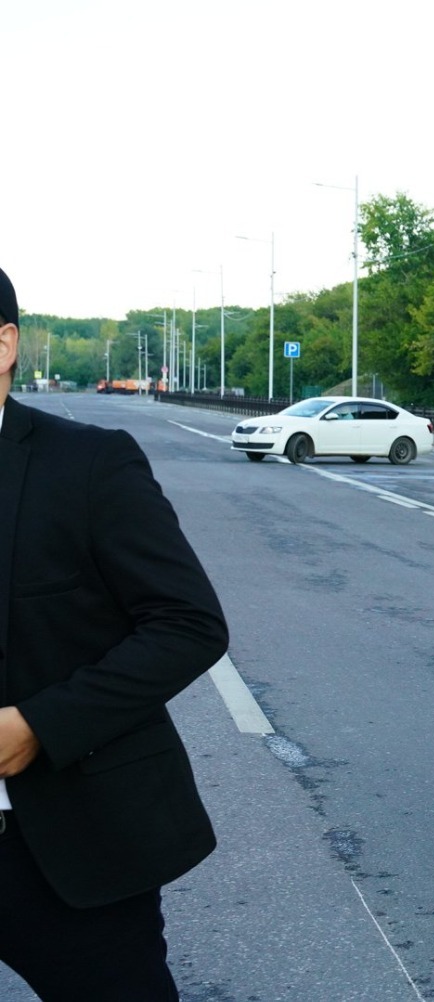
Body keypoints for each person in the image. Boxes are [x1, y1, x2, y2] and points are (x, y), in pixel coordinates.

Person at [0, 265, 229, 998]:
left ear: (4, 345)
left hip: (62, 847)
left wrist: (40, 725)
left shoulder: (89, 464)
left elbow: (189, 624)